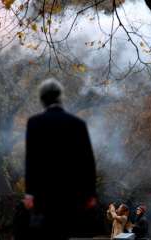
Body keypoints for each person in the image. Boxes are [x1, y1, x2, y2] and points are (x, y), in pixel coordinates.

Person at [23, 78, 97, 239]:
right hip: (71, 194)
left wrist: (29, 193)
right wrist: (90, 193)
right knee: (65, 233)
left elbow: (31, 160)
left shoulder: (34, 123)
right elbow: (87, 161)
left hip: (44, 193)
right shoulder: (78, 124)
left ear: (42, 99)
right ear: (60, 97)